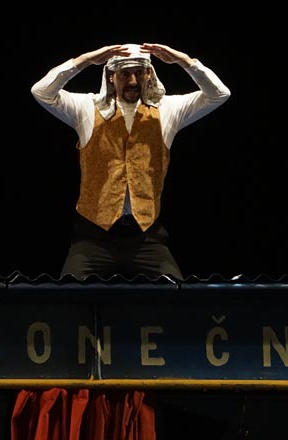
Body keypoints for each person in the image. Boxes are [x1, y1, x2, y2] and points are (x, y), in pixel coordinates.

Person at [31, 43, 230, 280]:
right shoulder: (87, 108)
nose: (133, 81)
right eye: (125, 73)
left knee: (176, 295)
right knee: (69, 295)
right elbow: (41, 92)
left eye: (139, 73)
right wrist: (84, 60)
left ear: (149, 75)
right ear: (111, 76)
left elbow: (219, 94)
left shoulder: (167, 110)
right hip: (94, 237)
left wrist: (185, 61)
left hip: (146, 236)